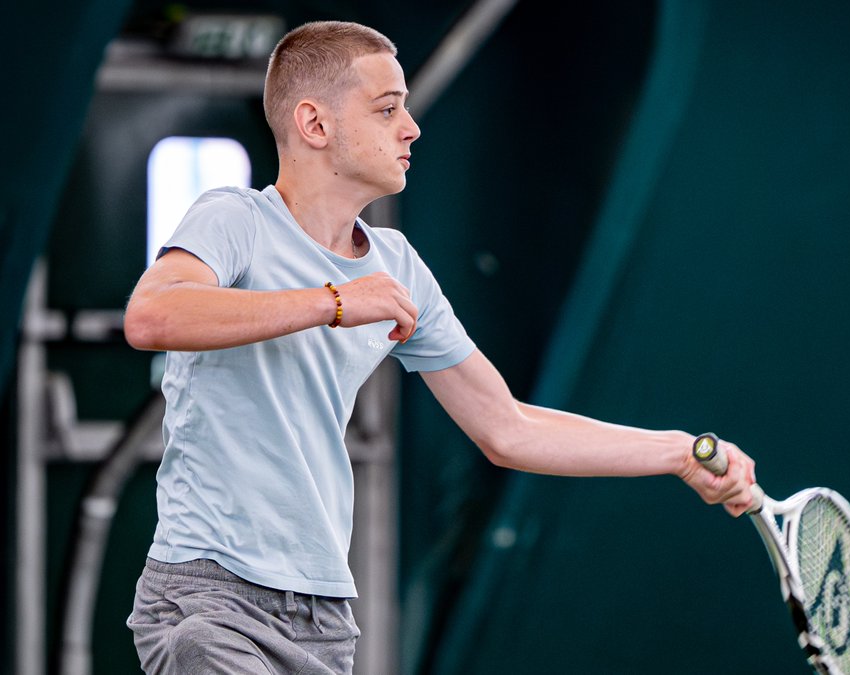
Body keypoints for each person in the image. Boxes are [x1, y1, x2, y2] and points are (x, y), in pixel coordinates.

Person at [123, 20, 757, 674]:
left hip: (323, 616)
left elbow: (506, 427)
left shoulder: (397, 265)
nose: (412, 128)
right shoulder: (234, 218)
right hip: (212, 599)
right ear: (315, 125)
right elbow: (152, 314)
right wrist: (333, 301)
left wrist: (678, 451)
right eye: (386, 108)